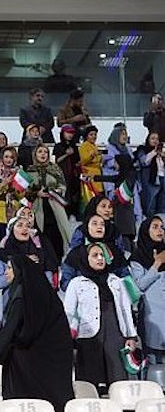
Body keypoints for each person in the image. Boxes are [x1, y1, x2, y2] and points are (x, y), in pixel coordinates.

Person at [0, 256, 74, 412]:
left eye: (10, 268)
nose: (6, 272)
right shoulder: (45, 293)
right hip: (51, 362)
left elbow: (11, 328)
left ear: (20, 271)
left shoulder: (21, 295)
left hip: (28, 363)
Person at [64, 243, 137, 391]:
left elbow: (125, 309)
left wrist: (131, 336)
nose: (100, 258)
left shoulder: (115, 281)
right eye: (95, 255)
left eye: (102, 255)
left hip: (115, 333)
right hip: (89, 336)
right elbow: (69, 312)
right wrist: (68, 336)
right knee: (90, 382)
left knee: (117, 379)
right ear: (86, 258)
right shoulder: (77, 283)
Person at [0, 216, 59, 309]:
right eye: (20, 225)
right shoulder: (1, 255)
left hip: (37, 305)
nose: (25, 229)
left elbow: (49, 283)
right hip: (13, 307)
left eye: (28, 226)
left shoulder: (39, 254)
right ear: (11, 230)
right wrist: (21, 264)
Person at [129, 216, 165, 365]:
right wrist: (156, 264)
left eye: (162, 227)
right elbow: (139, 286)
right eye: (155, 227)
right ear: (145, 231)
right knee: (153, 361)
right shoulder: (138, 257)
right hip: (153, 315)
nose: (160, 230)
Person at [27, 144, 71, 259]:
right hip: (37, 209)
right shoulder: (30, 170)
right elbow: (25, 191)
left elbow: (63, 186)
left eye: (45, 152)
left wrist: (56, 191)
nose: (43, 154)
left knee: (57, 237)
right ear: (35, 154)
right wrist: (36, 193)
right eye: (40, 151)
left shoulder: (55, 169)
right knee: (41, 237)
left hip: (55, 207)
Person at [0, 147, 24, 246]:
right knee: (1, 243)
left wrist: (15, 185)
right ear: (2, 158)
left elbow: (21, 196)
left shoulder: (18, 173)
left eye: (11, 157)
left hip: (14, 212)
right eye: (6, 156)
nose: (8, 159)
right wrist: (4, 185)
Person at [53, 125, 81, 218]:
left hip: (73, 175)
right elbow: (56, 160)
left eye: (72, 133)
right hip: (62, 174)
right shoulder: (58, 146)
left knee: (74, 195)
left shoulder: (74, 146)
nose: (70, 135)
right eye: (68, 133)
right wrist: (66, 154)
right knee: (64, 194)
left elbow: (77, 160)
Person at [136, 132, 165, 215]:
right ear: (147, 140)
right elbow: (143, 161)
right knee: (150, 204)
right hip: (150, 180)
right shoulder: (143, 149)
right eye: (152, 138)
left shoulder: (161, 152)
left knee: (162, 204)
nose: (155, 141)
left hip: (162, 178)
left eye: (157, 139)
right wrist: (154, 152)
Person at [78, 126, 103, 211]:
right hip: (88, 174)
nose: (94, 136)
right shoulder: (84, 146)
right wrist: (91, 156)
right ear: (86, 136)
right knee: (90, 197)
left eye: (95, 134)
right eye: (91, 134)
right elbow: (82, 161)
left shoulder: (95, 146)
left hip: (97, 174)